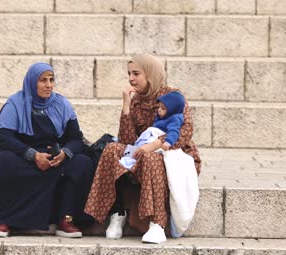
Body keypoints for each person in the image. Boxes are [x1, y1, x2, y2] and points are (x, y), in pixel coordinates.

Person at [84, 54, 201, 243]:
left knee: (151, 158)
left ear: (151, 74)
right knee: (112, 149)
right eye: (129, 73)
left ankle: (158, 224)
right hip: (141, 152)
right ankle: (117, 212)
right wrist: (126, 105)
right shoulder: (137, 101)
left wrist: (153, 146)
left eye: (136, 73)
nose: (131, 78)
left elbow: (184, 130)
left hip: (171, 154)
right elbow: (127, 140)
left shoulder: (173, 96)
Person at [0, 62, 93, 238]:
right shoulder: (15, 103)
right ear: (32, 82)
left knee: (82, 163)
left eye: (51, 80)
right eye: (43, 80)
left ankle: (65, 219)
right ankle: (5, 220)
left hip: (53, 157)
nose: (49, 85)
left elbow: (75, 138)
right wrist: (33, 155)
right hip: (23, 155)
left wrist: (64, 154)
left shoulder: (61, 104)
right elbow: (5, 138)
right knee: (4, 161)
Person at [119, 91, 186, 170]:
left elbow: (174, 131)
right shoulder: (163, 116)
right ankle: (129, 160)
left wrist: (168, 142)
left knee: (142, 153)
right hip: (152, 136)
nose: (159, 110)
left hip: (156, 138)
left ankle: (130, 163)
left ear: (172, 110)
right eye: (159, 107)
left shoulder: (174, 118)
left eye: (163, 108)